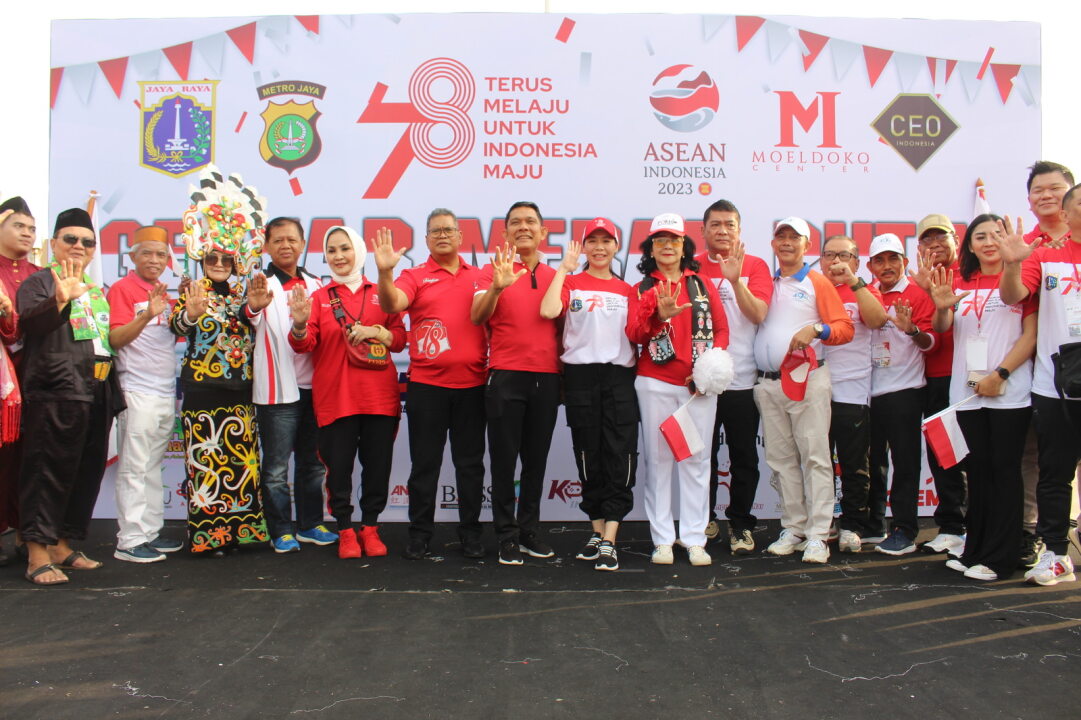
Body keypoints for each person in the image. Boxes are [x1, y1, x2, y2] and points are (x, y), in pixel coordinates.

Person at [17, 208, 124, 584]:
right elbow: (28, 323)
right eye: (71, 239)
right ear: (54, 244)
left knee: (85, 471)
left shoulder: (96, 290)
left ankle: (62, 544)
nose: (79, 246)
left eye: (87, 242)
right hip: (56, 389)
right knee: (47, 470)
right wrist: (59, 299)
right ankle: (36, 553)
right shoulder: (40, 282)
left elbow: (105, 341)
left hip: (96, 388)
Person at [375, 209, 488, 560]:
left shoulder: (481, 276)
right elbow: (393, 302)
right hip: (427, 387)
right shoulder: (414, 275)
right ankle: (420, 533)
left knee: (470, 465)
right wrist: (384, 271)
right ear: (426, 240)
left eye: (448, 230)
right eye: (435, 231)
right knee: (425, 464)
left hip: (473, 386)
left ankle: (470, 533)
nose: (442, 235)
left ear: (460, 237)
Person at [928, 214, 1036, 580]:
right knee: (977, 471)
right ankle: (976, 549)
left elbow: (1030, 335)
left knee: (1004, 473)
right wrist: (942, 306)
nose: (989, 242)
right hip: (967, 393)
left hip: (1009, 392)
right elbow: (944, 329)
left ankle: (1000, 558)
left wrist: (1001, 373)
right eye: (980, 236)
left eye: (996, 235)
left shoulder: (1023, 278)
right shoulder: (960, 280)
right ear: (969, 245)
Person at [289, 225, 406, 560]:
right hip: (335, 399)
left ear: (358, 250)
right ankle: (344, 530)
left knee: (377, 466)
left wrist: (377, 332)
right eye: (332, 251)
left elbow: (400, 339)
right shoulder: (318, 297)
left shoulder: (382, 291)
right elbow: (303, 345)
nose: (339, 256)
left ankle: (370, 528)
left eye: (345, 248)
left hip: (379, 399)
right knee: (338, 469)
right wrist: (298, 324)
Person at [627, 213, 729, 567]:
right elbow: (635, 335)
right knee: (659, 463)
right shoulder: (642, 288)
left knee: (696, 461)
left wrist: (708, 372)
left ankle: (695, 538)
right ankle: (662, 540)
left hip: (697, 387)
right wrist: (657, 314)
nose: (667, 246)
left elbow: (722, 331)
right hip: (655, 383)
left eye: (674, 240)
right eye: (659, 240)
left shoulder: (701, 285)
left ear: (685, 246)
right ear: (651, 249)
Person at [541, 217, 637, 571]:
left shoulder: (628, 290)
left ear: (616, 247)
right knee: (587, 454)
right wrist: (563, 271)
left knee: (620, 454)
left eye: (606, 241)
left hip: (619, 379)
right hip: (580, 378)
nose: (599, 247)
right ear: (583, 247)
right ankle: (596, 531)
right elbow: (549, 310)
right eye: (592, 241)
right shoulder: (572, 283)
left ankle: (610, 537)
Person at [755, 217, 853, 564]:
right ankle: (795, 527)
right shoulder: (765, 282)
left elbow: (844, 327)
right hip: (767, 382)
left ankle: (818, 534)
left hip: (807, 379)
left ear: (806, 245)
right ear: (773, 243)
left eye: (794, 237)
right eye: (780, 235)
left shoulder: (817, 282)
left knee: (814, 457)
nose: (786, 242)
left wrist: (816, 329)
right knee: (781, 460)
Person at [997, 187, 1081, 586]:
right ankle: (1056, 553)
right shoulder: (1045, 257)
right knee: (1055, 472)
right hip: (1056, 387)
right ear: (1065, 213)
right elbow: (1012, 294)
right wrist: (1013, 265)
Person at [471, 201, 561, 566]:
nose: (523, 227)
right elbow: (477, 316)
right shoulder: (489, 272)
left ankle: (529, 531)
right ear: (505, 232)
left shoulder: (558, 275)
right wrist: (496, 286)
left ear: (543, 232)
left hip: (547, 378)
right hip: (505, 375)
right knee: (504, 461)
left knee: (536, 462)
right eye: (515, 223)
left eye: (530, 222)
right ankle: (506, 534)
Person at [170, 228, 267, 556]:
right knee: (206, 464)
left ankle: (246, 532)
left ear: (236, 261)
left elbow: (251, 318)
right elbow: (177, 326)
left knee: (243, 463)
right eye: (212, 258)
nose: (219, 263)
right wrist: (190, 313)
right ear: (202, 259)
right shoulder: (193, 290)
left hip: (241, 390)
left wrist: (252, 308)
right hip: (202, 389)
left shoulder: (244, 292)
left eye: (226, 258)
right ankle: (210, 536)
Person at [245, 217, 335, 554]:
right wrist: (254, 305)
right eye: (278, 240)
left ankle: (311, 524)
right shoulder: (259, 283)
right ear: (267, 245)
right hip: (276, 390)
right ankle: (280, 529)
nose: (286, 245)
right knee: (276, 467)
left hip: (313, 388)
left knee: (312, 462)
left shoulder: (316, 285)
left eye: (292, 240)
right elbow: (248, 315)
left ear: (302, 244)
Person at [694, 200, 771, 554]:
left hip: (742, 380)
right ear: (704, 230)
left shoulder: (755, 266)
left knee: (744, 457)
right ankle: (703, 519)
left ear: (739, 230)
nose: (723, 231)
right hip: (700, 383)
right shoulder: (690, 267)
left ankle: (740, 523)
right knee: (701, 457)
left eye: (730, 225)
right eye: (715, 225)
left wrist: (736, 281)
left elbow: (757, 314)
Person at [107, 226, 183, 562]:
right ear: (132, 256)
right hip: (135, 391)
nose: (154, 260)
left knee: (152, 467)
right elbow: (115, 339)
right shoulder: (123, 289)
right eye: (147, 253)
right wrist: (146, 315)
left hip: (165, 392)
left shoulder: (167, 291)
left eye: (161, 254)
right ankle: (130, 540)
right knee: (135, 468)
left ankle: (150, 532)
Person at [865, 233, 937, 556]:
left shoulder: (917, 294)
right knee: (873, 461)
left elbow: (932, 342)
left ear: (904, 262)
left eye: (893, 259)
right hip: (869, 392)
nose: (887, 266)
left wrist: (913, 331)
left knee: (905, 463)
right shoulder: (867, 294)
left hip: (905, 391)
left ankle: (905, 529)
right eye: (879, 260)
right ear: (870, 266)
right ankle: (873, 524)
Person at [1017, 160, 1075, 566]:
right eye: (1039, 190)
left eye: (1055, 189)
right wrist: (1011, 261)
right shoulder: (1030, 249)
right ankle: (1043, 543)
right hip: (1046, 378)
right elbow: (1015, 297)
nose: (1047, 196)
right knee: (1044, 465)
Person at [820, 235, 887, 552]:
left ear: (857, 261)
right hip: (816, 389)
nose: (835, 262)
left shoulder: (864, 289)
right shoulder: (814, 289)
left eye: (843, 255)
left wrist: (855, 283)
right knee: (818, 462)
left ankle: (852, 525)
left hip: (853, 390)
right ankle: (823, 522)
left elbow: (877, 320)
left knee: (854, 464)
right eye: (829, 254)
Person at [911, 214, 967, 556]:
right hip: (936, 378)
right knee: (943, 455)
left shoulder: (974, 274)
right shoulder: (919, 283)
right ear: (919, 247)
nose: (935, 245)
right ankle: (951, 526)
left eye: (941, 237)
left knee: (976, 455)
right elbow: (928, 337)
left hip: (975, 380)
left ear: (956, 241)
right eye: (927, 240)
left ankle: (981, 525)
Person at [0, 197, 39, 567]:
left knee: (29, 459)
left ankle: (26, 535)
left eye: (31, 228)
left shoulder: (41, 275)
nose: (26, 234)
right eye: (18, 227)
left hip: (33, 380)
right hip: (2, 381)